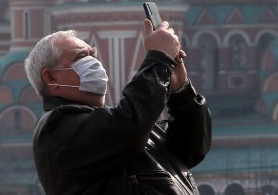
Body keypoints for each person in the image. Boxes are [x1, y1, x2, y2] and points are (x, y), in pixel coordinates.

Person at [24, 20, 212, 194]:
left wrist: (181, 92)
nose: (94, 62)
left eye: (93, 55)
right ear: (51, 77)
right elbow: (129, 128)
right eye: (81, 56)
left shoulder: (126, 127)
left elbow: (191, 148)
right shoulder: (57, 128)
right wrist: (159, 59)